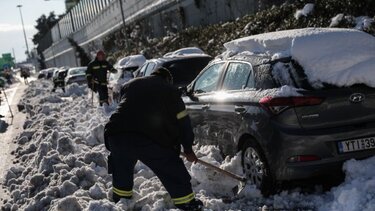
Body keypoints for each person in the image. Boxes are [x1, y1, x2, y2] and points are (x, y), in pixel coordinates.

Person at [104, 67, 203, 210]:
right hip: (146, 137)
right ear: (168, 80)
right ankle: (186, 202)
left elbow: (129, 108)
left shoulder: (130, 85)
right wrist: (187, 149)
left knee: (121, 169)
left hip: (116, 133)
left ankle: (121, 203)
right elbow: (183, 123)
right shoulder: (170, 90)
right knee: (171, 167)